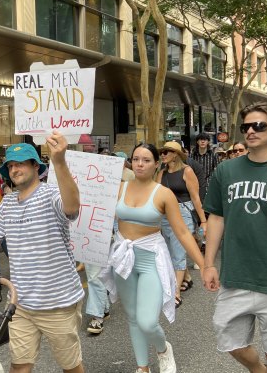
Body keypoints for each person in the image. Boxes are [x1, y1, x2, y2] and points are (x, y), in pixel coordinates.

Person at [0, 132, 85, 373]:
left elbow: (72, 206)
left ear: (36, 166)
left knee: (71, 367)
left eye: (21, 163)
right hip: (20, 302)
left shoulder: (51, 194)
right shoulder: (7, 203)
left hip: (59, 302)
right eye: (11, 166)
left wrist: (59, 161)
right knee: (20, 366)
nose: (14, 169)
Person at [101, 143, 205, 373]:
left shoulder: (163, 193)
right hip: (123, 260)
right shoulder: (118, 188)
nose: (140, 164)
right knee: (133, 318)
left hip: (150, 262)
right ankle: (142, 367)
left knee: (148, 321)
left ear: (157, 164)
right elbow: (93, 214)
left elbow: (182, 232)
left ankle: (163, 349)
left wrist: (205, 265)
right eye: (136, 159)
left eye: (146, 160)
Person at [202, 102, 267, 373]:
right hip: (236, 276)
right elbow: (216, 217)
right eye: (246, 127)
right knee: (231, 343)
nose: (250, 131)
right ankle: (257, 370)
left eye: (259, 125)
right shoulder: (226, 171)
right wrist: (208, 264)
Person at [157, 141, 207, 308]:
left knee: (178, 254)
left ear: (176, 154)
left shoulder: (187, 171)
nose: (163, 154)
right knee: (170, 252)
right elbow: (156, 195)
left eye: (166, 152)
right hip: (165, 215)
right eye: (162, 152)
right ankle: (186, 277)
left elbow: (195, 197)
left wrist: (203, 220)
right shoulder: (161, 173)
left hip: (183, 214)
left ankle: (176, 292)